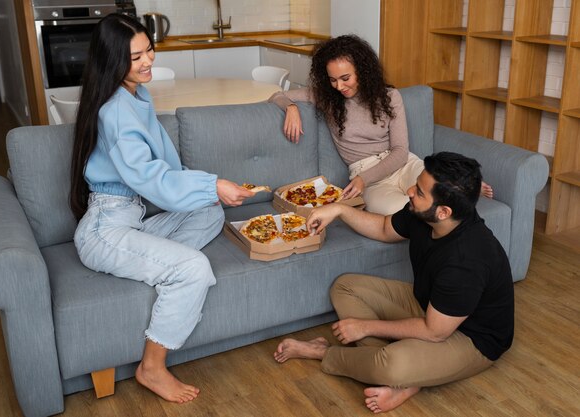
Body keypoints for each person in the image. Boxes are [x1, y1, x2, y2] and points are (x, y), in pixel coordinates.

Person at [69, 14, 253, 403]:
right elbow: (153, 180)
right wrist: (211, 183)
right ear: (112, 60)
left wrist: (210, 191)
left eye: (149, 49)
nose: (148, 61)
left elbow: (167, 168)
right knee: (194, 268)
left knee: (210, 211)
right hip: (106, 230)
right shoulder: (115, 111)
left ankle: (166, 271)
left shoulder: (137, 95)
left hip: (131, 221)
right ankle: (151, 367)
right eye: (135, 57)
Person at [273, 152, 514, 414]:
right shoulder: (423, 213)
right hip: (429, 306)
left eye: (419, 191)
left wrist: (365, 327)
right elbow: (385, 228)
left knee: (390, 365)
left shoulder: (467, 259)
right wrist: (340, 209)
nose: (410, 191)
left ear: (444, 212)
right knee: (345, 287)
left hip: (470, 338)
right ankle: (408, 375)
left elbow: (435, 331)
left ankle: (325, 352)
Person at [268, 35, 493, 215]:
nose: (339, 86)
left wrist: (361, 180)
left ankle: (462, 189)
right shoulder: (327, 97)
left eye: (345, 78)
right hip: (369, 181)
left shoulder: (390, 97)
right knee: (407, 211)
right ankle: (457, 191)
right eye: (332, 79)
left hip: (400, 165)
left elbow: (400, 152)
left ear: (362, 72)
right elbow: (276, 95)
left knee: (438, 195)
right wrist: (291, 108)